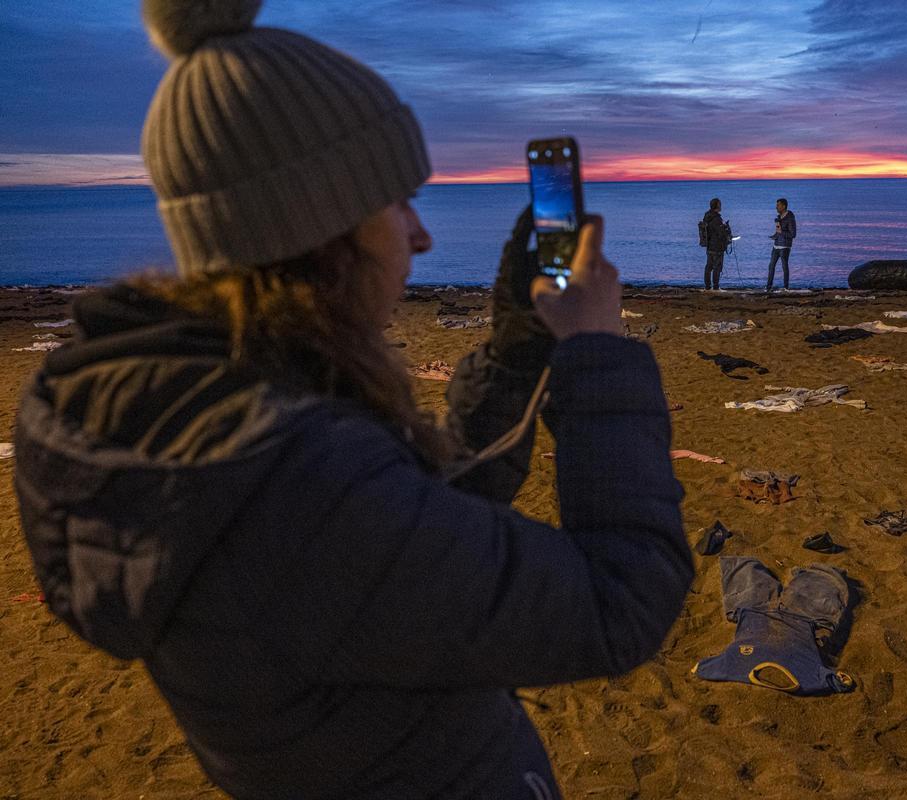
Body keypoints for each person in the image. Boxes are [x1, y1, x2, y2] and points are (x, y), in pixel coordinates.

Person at [13, 3, 692, 799]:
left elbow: (412, 538)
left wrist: (514, 354)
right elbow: (618, 600)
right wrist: (595, 353)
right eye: (395, 201)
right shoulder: (293, 484)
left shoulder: (207, 413)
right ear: (322, 225)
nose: (421, 234)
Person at [765, 197, 796, 291]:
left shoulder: (790, 218)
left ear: (784, 206)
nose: (776, 207)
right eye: (776, 205)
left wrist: (780, 232)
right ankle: (768, 287)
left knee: (784, 266)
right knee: (771, 266)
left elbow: (793, 234)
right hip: (776, 245)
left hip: (785, 247)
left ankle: (786, 287)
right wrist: (774, 236)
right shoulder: (779, 218)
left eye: (778, 205)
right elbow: (778, 231)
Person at [702, 197, 732, 290]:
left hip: (709, 245)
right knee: (717, 268)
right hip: (717, 247)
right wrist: (726, 229)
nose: (721, 206)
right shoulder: (716, 219)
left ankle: (707, 286)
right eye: (720, 204)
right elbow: (721, 233)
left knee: (709, 267)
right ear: (717, 205)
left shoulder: (707, 216)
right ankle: (715, 287)